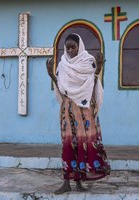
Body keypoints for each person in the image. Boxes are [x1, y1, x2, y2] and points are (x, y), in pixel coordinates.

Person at [46, 33, 110, 194]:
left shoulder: (89, 62)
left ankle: (80, 182)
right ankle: (67, 182)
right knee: (68, 145)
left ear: (79, 46)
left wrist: (99, 69)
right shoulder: (62, 64)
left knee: (84, 144)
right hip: (68, 110)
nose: (69, 50)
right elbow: (62, 88)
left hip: (84, 110)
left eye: (73, 47)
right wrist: (52, 75)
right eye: (67, 47)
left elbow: (93, 83)